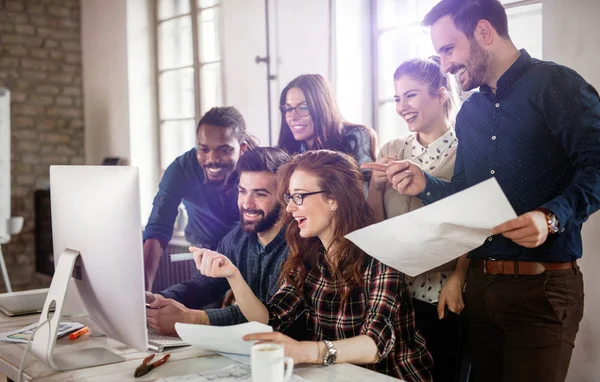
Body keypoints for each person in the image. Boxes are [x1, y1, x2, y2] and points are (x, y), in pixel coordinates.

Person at [366, 0, 600, 381]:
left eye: (448, 49)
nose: (444, 65)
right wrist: (426, 185)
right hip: (480, 289)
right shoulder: (470, 112)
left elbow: (597, 164)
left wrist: (552, 216)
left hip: (541, 290)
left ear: (484, 33)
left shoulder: (556, 85)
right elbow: (468, 196)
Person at [194, 150, 434, 381]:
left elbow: (375, 344)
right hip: (334, 375)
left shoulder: (381, 252)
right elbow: (270, 318)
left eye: (298, 196)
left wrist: (307, 351)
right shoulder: (308, 254)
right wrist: (233, 276)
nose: (289, 207)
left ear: (334, 199)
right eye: (289, 197)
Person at [365, 57, 467, 382]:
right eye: (397, 98)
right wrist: (375, 187)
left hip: (441, 293)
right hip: (392, 294)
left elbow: (475, 220)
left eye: (410, 95)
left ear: (440, 95)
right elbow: (375, 224)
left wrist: (459, 277)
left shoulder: (465, 151)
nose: (401, 106)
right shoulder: (392, 148)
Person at [146, 147, 291, 335]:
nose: (247, 203)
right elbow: (206, 285)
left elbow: (267, 318)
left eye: (260, 194)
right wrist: (159, 299)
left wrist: (192, 319)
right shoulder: (238, 237)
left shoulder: (300, 245)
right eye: (242, 191)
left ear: (285, 197)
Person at [143, 106, 257, 291]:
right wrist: (144, 291)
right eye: (204, 149)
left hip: (251, 258)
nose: (212, 159)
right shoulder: (181, 169)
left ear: (241, 149)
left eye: (224, 150)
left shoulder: (258, 169)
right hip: (205, 258)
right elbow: (158, 225)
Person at [277, 74, 377, 173]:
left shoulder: (357, 136)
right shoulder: (286, 150)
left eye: (304, 108)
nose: (293, 117)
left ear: (323, 108)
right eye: (288, 108)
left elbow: (366, 186)